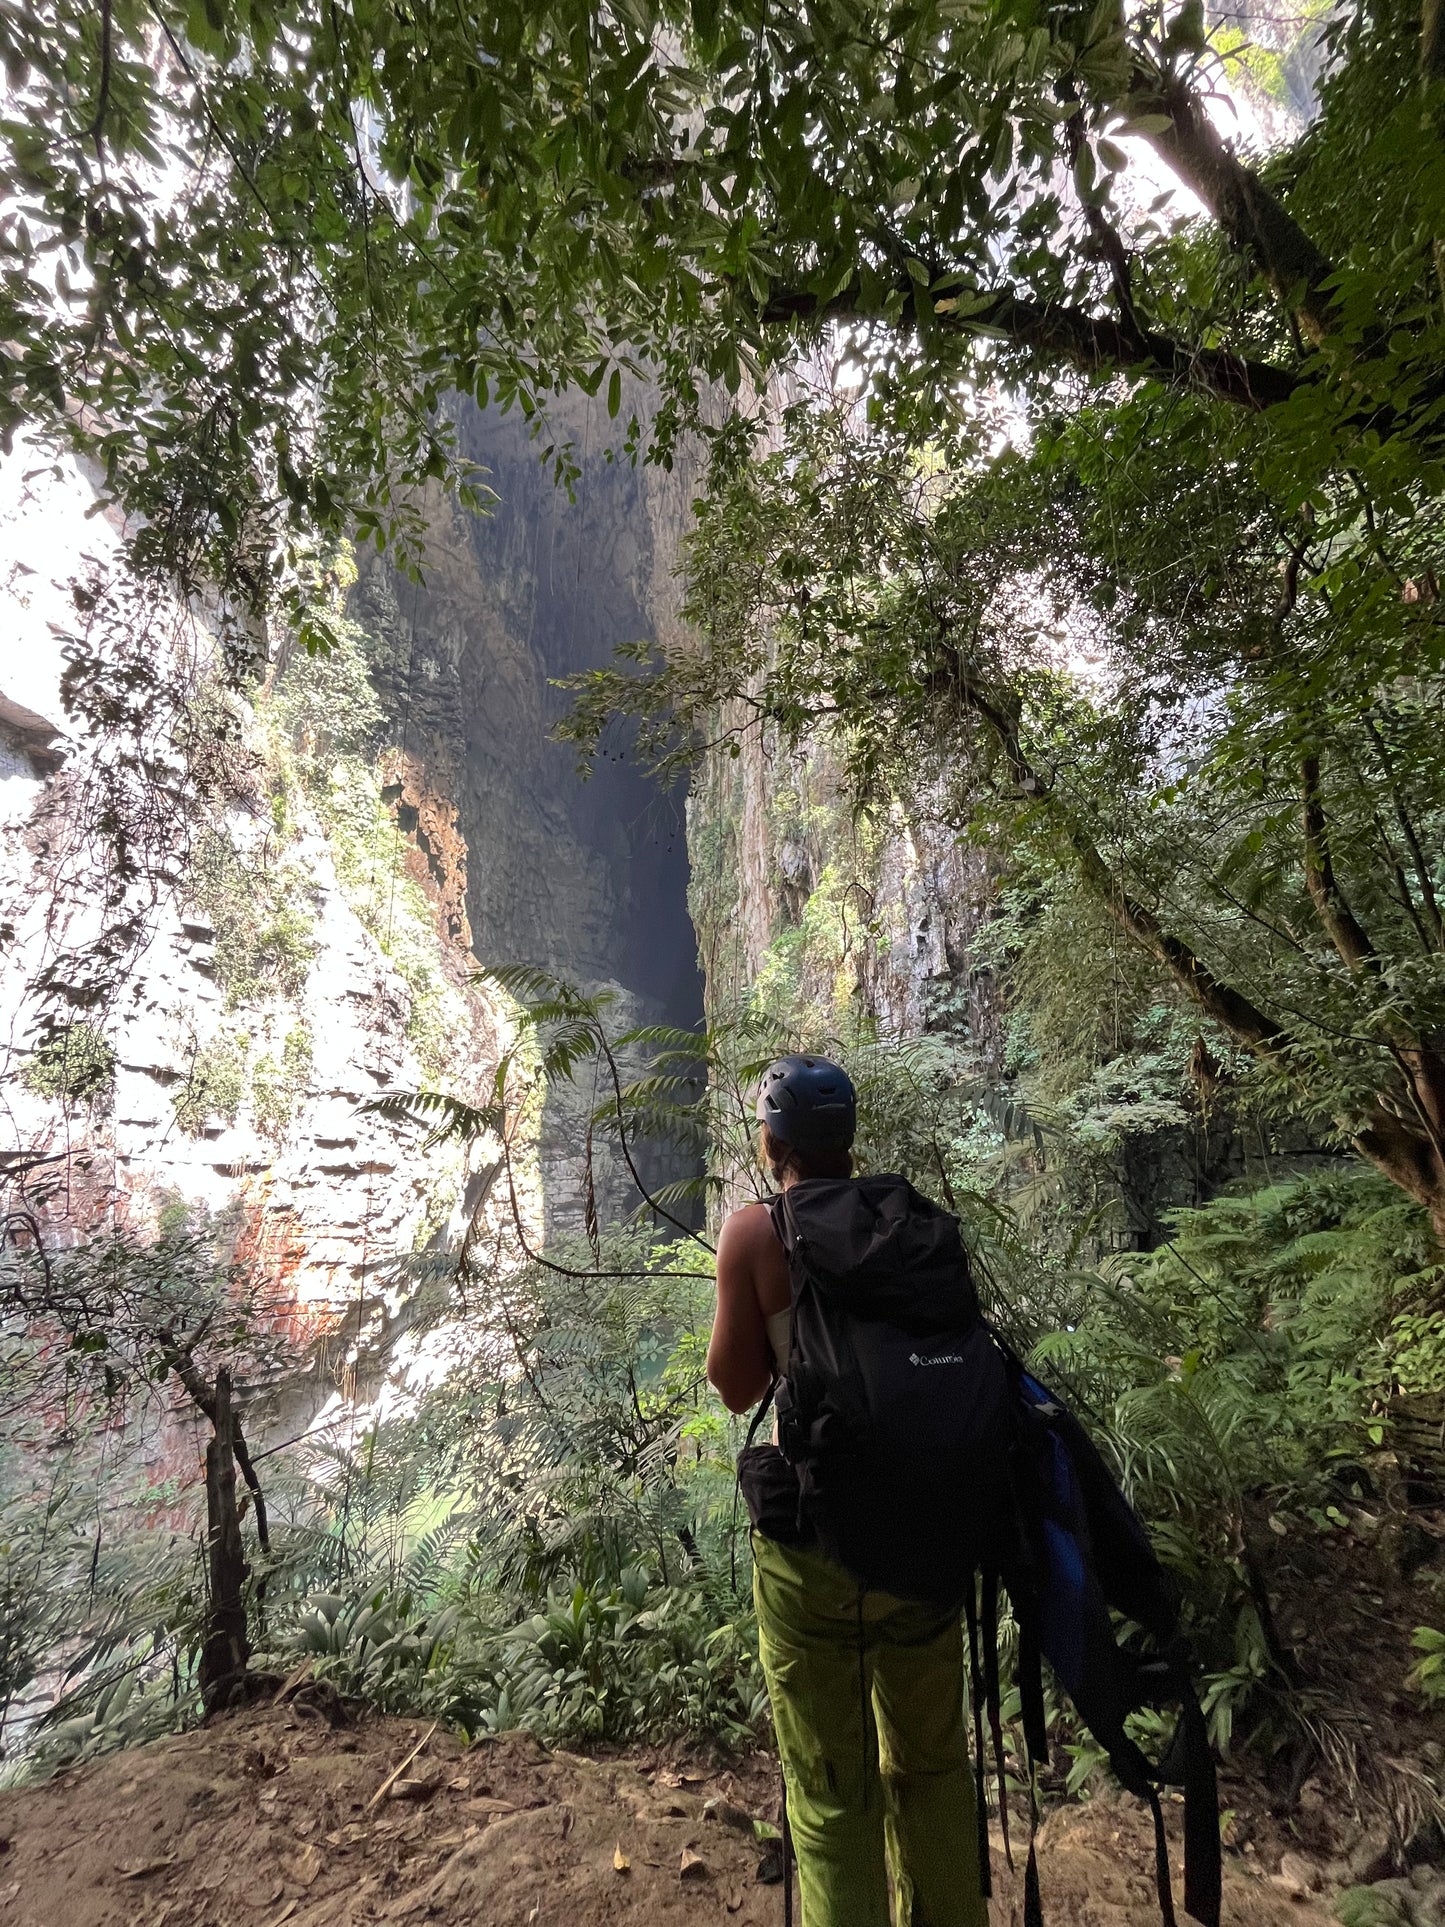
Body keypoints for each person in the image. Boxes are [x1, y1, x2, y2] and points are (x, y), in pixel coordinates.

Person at [708, 1054, 988, 1927]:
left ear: (771, 1141)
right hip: (927, 1539)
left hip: (816, 1556)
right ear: (847, 1142)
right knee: (934, 1770)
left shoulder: (756, 1231)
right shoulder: (912, 1223)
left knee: (830, 1795)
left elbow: (734, 1384)